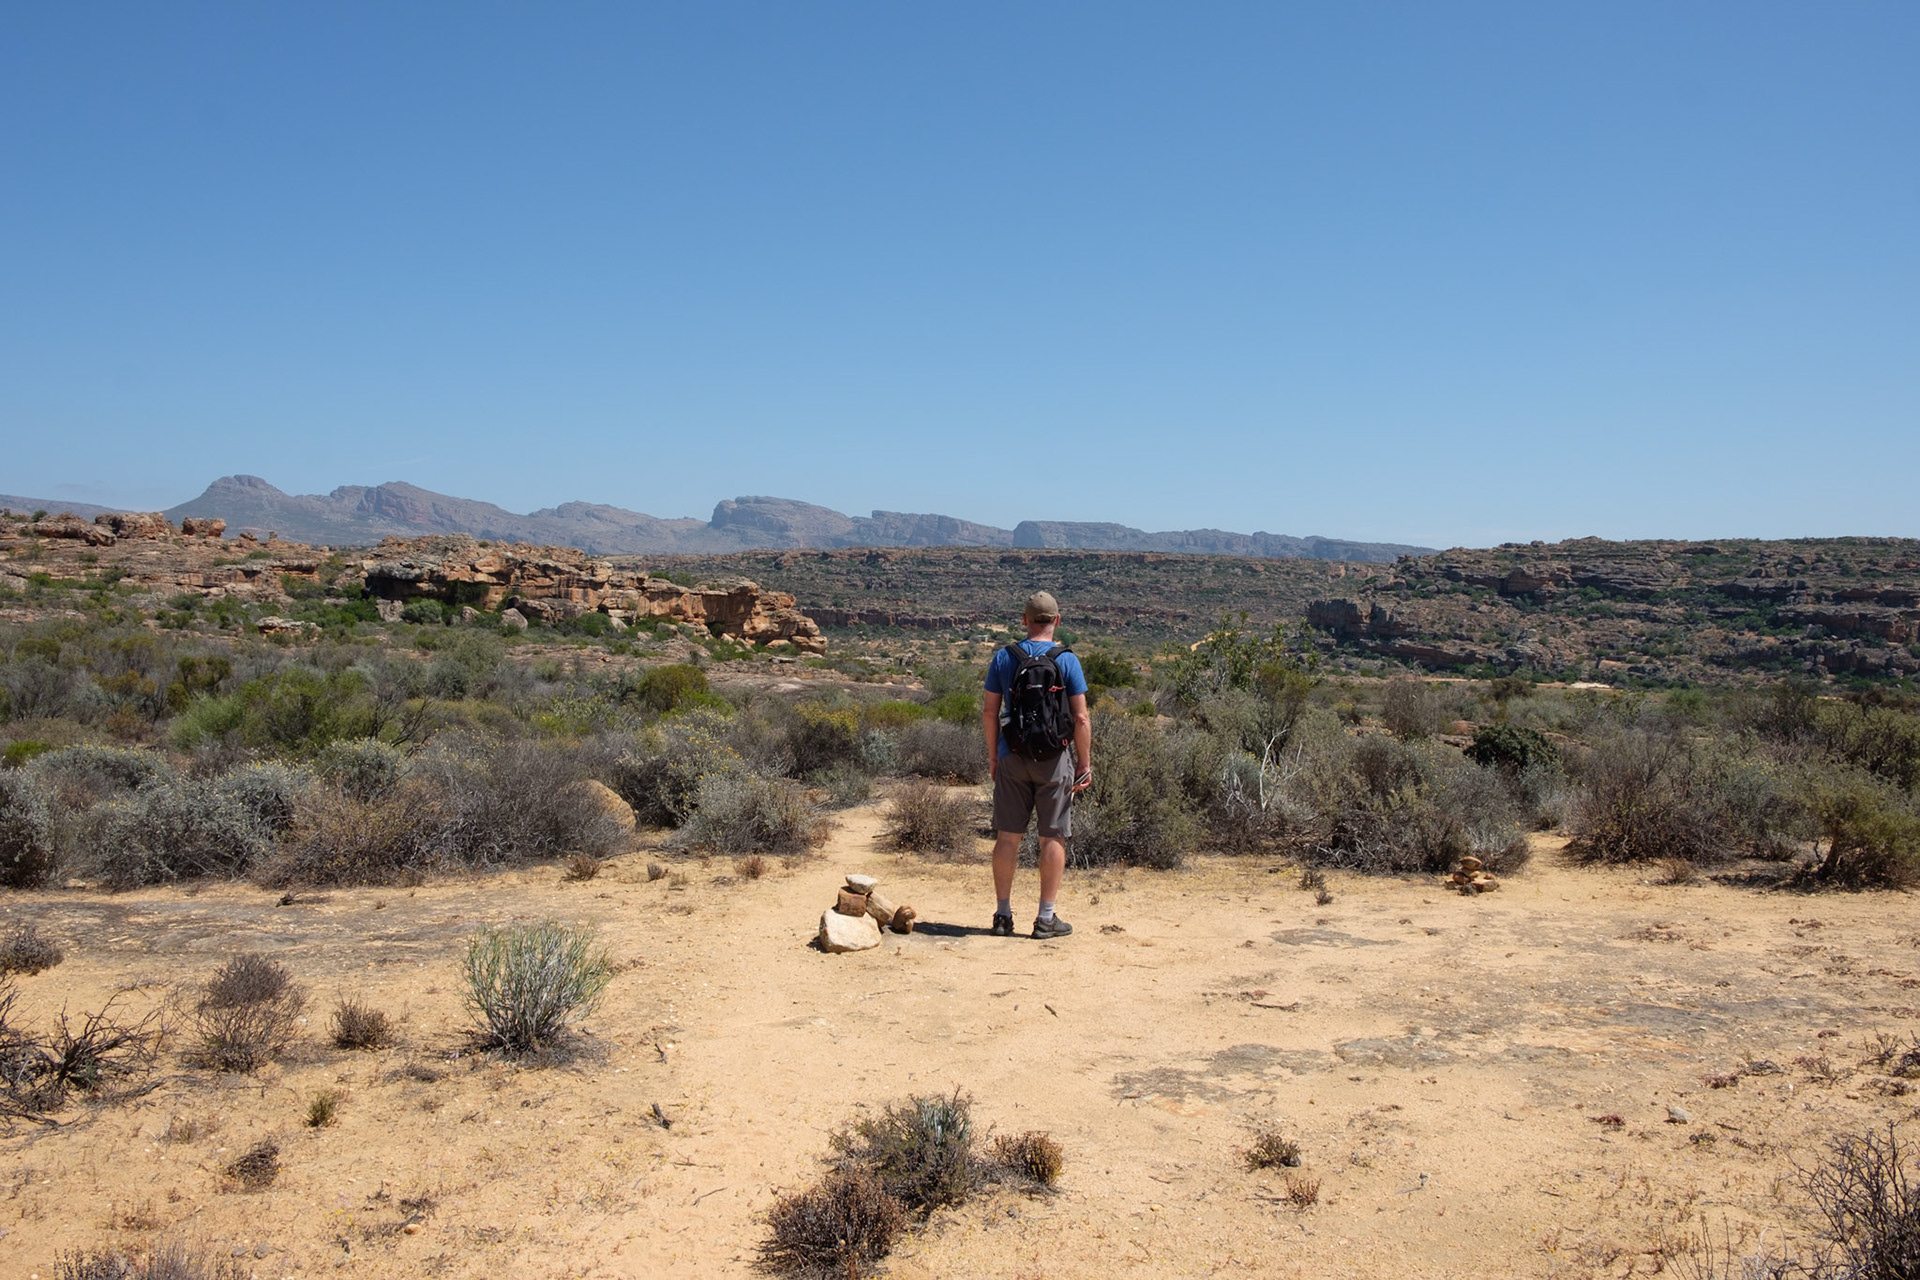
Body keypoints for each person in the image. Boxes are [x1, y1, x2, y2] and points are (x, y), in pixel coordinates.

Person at [981, 591, 1092, 939]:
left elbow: (989, 712)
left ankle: (1002, 915)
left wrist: (994, 756)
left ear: (1024, 620)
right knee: (1052, 837)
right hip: (1054, 758)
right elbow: (1081, 718)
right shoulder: (1067, 660)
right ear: (1057, 621)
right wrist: (1083, 764)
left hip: (1012, 754)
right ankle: (1046, 918)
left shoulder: (1004, 658)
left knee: (1007, 837)